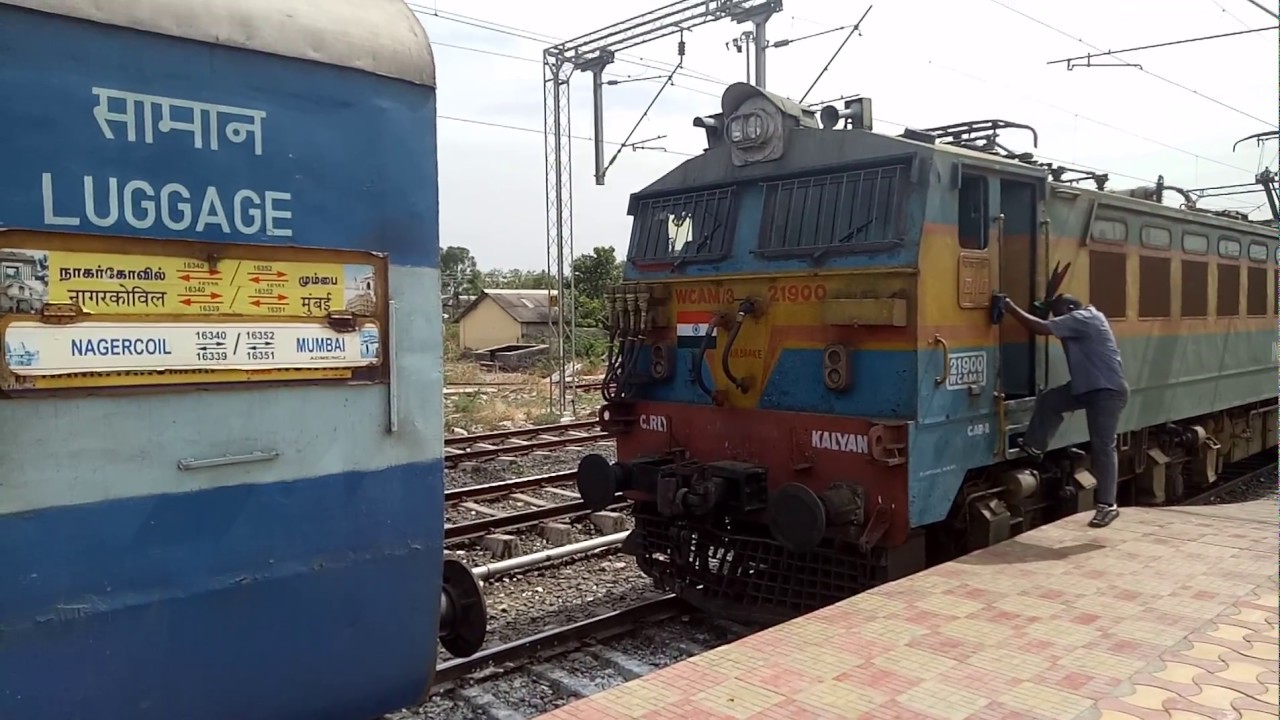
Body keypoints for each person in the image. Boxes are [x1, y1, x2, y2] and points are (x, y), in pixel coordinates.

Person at [1000, 293, 1129, 528]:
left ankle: (1107, 506)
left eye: (1058, 313)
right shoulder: (1084, 318)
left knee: (1103, 447)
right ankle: (1034, 445)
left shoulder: (1085, 318)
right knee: (1050, 400)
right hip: (1087, 388)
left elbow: (1041, 328)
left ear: (1070, 308)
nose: (1057, 318)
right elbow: (1045, 324)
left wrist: (1010, 307)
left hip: (1106, 392)